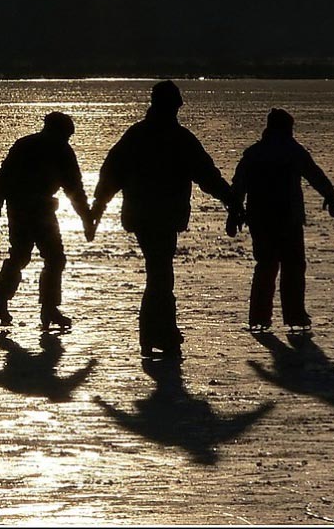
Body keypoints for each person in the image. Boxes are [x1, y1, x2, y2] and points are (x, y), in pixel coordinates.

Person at [90, 80, 235, 359]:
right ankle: (160, 335)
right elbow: (207, 176)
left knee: (158, 273)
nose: (178, 108)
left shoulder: (137, 135)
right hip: (161, 217)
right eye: (176, 104)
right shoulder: (178, 138)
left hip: (143, 217)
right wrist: (231, 201)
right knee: (160, 275)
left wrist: (98, 206)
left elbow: (112, 172)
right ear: (171, 105)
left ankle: (157, 334)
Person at [227, 108, 334, 332]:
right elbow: (313, 174)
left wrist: (234, 212)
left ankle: (259, 316)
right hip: (289, 219)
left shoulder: (254, 153)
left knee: (266, 266)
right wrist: (329, 193)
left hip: (260, 219)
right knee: (293, 266)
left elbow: (239, 186)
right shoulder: (293, 151)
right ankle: (295, 316)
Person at [0, 112, 93, 330]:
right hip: (37, 211)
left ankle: (1, 304)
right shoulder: (60, 149)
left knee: (20, 256)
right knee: (54, 258)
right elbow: (74, 189)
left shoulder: (25, 144)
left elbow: (0, 183)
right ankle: (47, 309)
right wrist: (87, 219)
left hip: (20, 209)